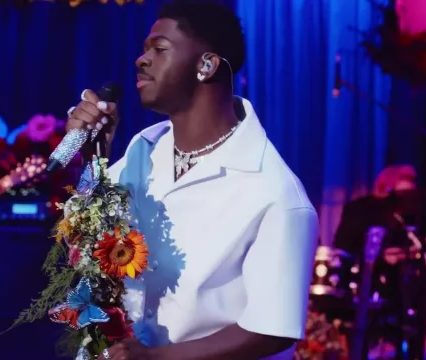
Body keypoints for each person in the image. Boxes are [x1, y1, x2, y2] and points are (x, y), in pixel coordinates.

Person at [65, 1, 319, 359]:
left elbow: (271, 331)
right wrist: (94, 161)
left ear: (206, 64)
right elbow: (86, 251)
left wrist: (155, 357)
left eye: (159, 48)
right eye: (143, 49)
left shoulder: (274, 192)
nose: (141, 59)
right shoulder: (142, 152)